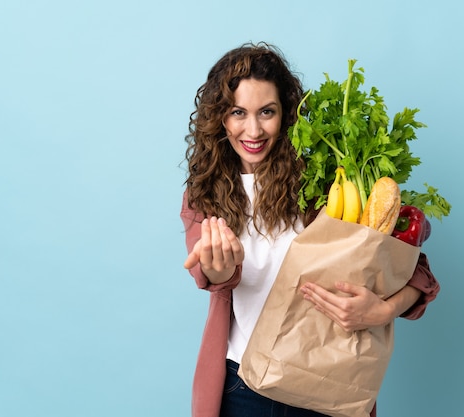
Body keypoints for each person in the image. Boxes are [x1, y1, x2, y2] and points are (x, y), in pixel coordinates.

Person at [181, 42, 440, 417]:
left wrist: (380, 311)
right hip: (242, 386)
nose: (252, 129)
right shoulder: (203, 194)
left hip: (326, 381)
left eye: (266, 112)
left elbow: (418, 274)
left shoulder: (323, 185)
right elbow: (212, 275)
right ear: (219, 117)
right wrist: (219, 269)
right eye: (238, 112)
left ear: (286, 114)